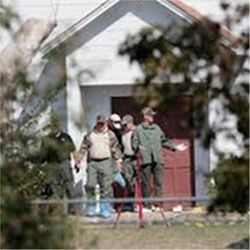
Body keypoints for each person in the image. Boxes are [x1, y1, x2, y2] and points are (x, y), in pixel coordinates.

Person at [132, 107, 187, 211]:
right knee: (146, 184)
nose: (153, 117)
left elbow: (164, 141)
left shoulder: (157, 128)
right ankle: (147, 206)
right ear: (145, 117)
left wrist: (175, 147)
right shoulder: (138, 130)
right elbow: (134, 145)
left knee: (159, 184)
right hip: (145, 160)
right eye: (151, 115)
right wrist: (139, 148)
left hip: (157, 159)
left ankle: (158, 205)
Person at [76, 115, 123, 218]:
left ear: (106, 123)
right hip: (92, 163)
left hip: (105, 162)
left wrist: (118, 161)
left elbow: (115, 148)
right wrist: (78, 160)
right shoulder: (90, 134)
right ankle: (91, 208)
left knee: (106, 186)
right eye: (99, 124)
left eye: (103, 123)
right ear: (96, 123)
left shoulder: (110, 135)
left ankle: (105, 208)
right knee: (90, 185)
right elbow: (83, 148)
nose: (100, 126)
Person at [38, 124, 76, 214]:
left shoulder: (66, 137)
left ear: (59, 128)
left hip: (65, 163)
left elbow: (73, 150)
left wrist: (77, 162)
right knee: (54, 188)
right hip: (52, 165)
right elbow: (42, 154)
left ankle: (72, 209)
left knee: (69, 186)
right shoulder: (46, 139)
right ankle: (57, 210)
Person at [120, 114, 137, 212]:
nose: (124, 127)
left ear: (131, 123)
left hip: (136, 158)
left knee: (140, 181)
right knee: (128, 181)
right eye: (123, 125)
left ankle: (143, 204)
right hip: (127, 159)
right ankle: (129, 205)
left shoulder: (137, 132)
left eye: (126, 125)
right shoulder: (123, 134)